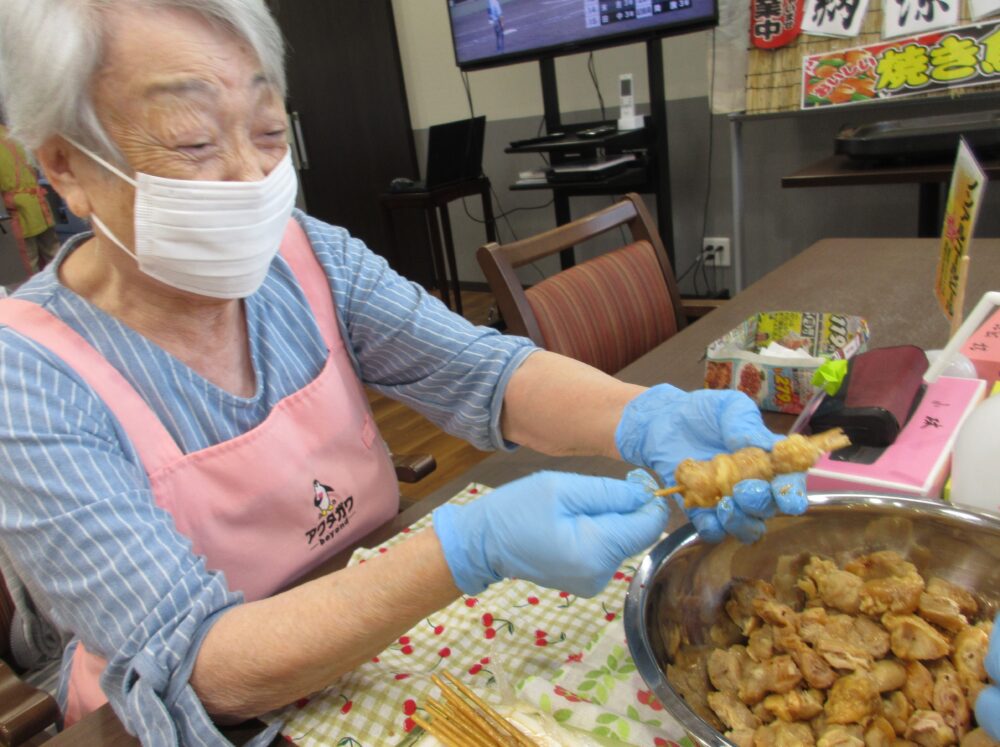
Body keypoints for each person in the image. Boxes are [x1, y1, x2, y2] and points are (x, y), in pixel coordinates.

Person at [0, 2, 893, 745]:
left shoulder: (309, 257)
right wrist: (466, 547)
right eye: (192, 142)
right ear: (66, 166)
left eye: (269, 133)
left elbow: (488, 372)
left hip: (378, 642)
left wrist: (649, 416)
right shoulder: (27, 375)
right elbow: (201, 665)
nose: (249, 177)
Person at [0, 118, 60, 273]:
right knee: (54, 254)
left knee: (29, 262)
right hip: (38, 204)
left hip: (18, 211)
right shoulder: (13, 133)